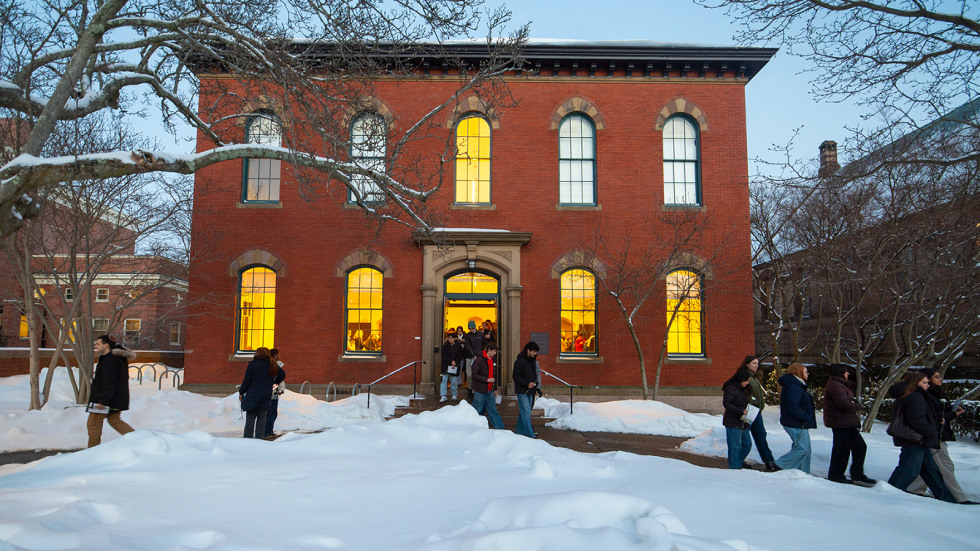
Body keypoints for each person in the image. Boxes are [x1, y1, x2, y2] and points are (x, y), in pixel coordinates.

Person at [886, 371, 956, 502]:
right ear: (915, 383)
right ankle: (888, 494)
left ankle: (947, 498)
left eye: (927, 382)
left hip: (918, 439)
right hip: (915, 439)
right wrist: (932, 431)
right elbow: (917, 419)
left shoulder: (912, 395)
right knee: (909, 470)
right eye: (924, 382)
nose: (927, 385)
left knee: (931, 472)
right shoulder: (915, 396)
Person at [907, 369, 972, 503]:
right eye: (936, 377)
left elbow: (937, 414)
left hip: (936, 435)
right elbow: (932, 416)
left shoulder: (935, 394)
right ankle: (957, 496)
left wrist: (951, 412)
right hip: (932, 435)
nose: (940, 379)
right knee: (944, 466)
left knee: (930, 466)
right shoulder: (923, 395)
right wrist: (950, 415)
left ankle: (913, 489)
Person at [823, 363, 876, 486]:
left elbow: (848, 402)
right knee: (842, 450)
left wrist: (853, 402)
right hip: (841, 423)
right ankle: (836, 475)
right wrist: (858, 405)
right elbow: (845, 405)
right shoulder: (836, 386)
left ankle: (856, 474)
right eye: (846, 371)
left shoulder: (839, 385)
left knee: (859, 447)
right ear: (840, 372)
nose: (848, 373)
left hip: (845, 422)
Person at [87, 335, 137, 447]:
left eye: (98, 343)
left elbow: (109, 382)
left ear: (106, 345)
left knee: (93, 424)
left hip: (105, 400)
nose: (95, 346)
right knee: (114, 421)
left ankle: (91, 453)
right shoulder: (115, 358)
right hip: (114, 399)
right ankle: (139, 440)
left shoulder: (110, 360)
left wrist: (102, 401)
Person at [773, 363, 817, 473]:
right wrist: (805, 417)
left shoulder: (797, 385)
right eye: (805, 371)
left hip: (799, 422)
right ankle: (779, 464)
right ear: (798, 372)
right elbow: (792, 406)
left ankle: (802, 472)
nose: (807, 374)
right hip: (796, 423)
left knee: (805, 449)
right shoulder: (794, 387)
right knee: (802, 449)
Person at [739, 355, 778, 471]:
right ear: (747, 364)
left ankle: (769, 461)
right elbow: (741, 392)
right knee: (745, 439)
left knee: (761, 435)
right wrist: (750, 400)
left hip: (756, 412)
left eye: (757, 363)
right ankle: (737, 460)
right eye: (753, 363)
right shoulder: (744, 376)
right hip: (748, 411)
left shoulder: (754, 377)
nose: (756, 365)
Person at [239, 347, 281, 439]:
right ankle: (259, 439)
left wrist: (241, 392)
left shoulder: (253, 365)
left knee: (250, 419)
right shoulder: (272, 364)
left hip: (253, 395)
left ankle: (247, 439)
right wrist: (274, 382)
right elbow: (282, 374)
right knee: (262, 418)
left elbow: (247, 380)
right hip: (266, 395)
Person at [722, 369, 753, 469]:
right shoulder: (731, 389)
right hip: (733, 421)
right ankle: (734, 467)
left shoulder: (742, 389)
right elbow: (727, 403)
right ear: (741, 379)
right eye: (746, 381)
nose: (747, 383)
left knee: (747, 444)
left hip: (743, 421)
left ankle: (737, 462)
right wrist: (740, 410)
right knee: (735, 447)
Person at [470, 341, 504, 429]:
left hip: (490, 391)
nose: (495, 353)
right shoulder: (479, 360)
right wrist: (486, 380)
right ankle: (474, 430)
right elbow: (474, 374)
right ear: (488, 350)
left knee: (494, 411)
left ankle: (501, 431)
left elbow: (494, 375)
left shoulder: (492, 360)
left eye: (495, 352)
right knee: (478, 411)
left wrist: (495, 388)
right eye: (493, 351)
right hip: (481, 391)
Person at [512, 341, 540, 438]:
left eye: (535, 352)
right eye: (533, 351)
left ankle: (519, 431)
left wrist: (536, 386)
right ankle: (530, 434)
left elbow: (534, 375)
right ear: (528, 350)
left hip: (531, 390)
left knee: (524, 411)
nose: (534, 354)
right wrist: (527, 384)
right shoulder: (520, 361)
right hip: (522, 391)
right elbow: (515, 376)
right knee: (526, 411)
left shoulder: (533, 361)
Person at [263, 348, 287, 438]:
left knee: (273, 413)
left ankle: (269, 431)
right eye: (278, 354)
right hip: (271, 392)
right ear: (274, 355)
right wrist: (276, 385)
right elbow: (281, 377)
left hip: (274, 391)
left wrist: (280, 388)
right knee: (270, 412)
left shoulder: (274, 365)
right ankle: (267, 432)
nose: (279, 356)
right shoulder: (272, 365)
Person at [439, 331, 465, 402]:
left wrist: (455, 361)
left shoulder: (458, 347)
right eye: (449, 338)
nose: (450, 340)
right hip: (446, 366)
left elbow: (460, 355)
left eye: (452, 338)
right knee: (444, 380)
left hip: (454, 366)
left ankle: (454, 394)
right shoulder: (445, 346)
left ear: (454, 339)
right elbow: (444, 356)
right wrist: (451, 361)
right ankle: (443, 395)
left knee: (453, 381)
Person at [462, 320, 484, 400]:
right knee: (469, 374)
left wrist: (479, 355)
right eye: (469, 328)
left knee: (477, 374)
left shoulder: (481, 335)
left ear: (475, 327)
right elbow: (467, 346)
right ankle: (470, 389)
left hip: (479, 358)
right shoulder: (467, 336)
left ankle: (475, 390)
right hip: (469, 358)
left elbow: (484, 345)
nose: (471, 330)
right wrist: (473, 355)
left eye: (472, 328)